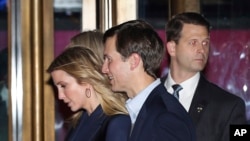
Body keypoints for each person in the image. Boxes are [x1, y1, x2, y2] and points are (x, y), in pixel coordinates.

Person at [102, 19, 196, 141]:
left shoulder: (165, 118)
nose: (104, 69)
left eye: (109, 59)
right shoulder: (144, 110)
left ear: (134, 61)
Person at [162, 12, 247, 141]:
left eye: (205, 43)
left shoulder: (229, 106)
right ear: (172, 48)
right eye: (193, 42)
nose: (201, 50)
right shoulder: (146, 96)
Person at [47, 46, 131, 141]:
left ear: (85, 80)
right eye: (56, 88)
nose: (60, 96)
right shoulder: (78, 122)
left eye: (63, 86)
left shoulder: (118, 123)